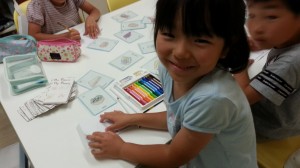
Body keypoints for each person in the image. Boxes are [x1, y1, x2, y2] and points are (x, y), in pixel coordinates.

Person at [87, 0, 258, 167]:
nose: (180, 52)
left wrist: (121, 149)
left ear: (226, 47)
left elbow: (173, 157)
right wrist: (132, 119)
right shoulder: (169, 71)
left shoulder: (214, 99)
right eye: (169, 34)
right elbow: (177, 118)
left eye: (200, 40)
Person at [234, 0, 300, 140]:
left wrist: (239, 66)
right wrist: (262, 43)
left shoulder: (290, 63)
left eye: (271, 17)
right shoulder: (290, 37)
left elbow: (242, 100)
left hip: (267, 125)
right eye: (251, 16)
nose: (257, 28)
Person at [27, 0, 101, 41]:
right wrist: (64, 37)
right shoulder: (37, 5)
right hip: (56, 48)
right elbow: (33, 36)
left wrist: (90, 18)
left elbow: (95, 11)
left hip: (79, 40)